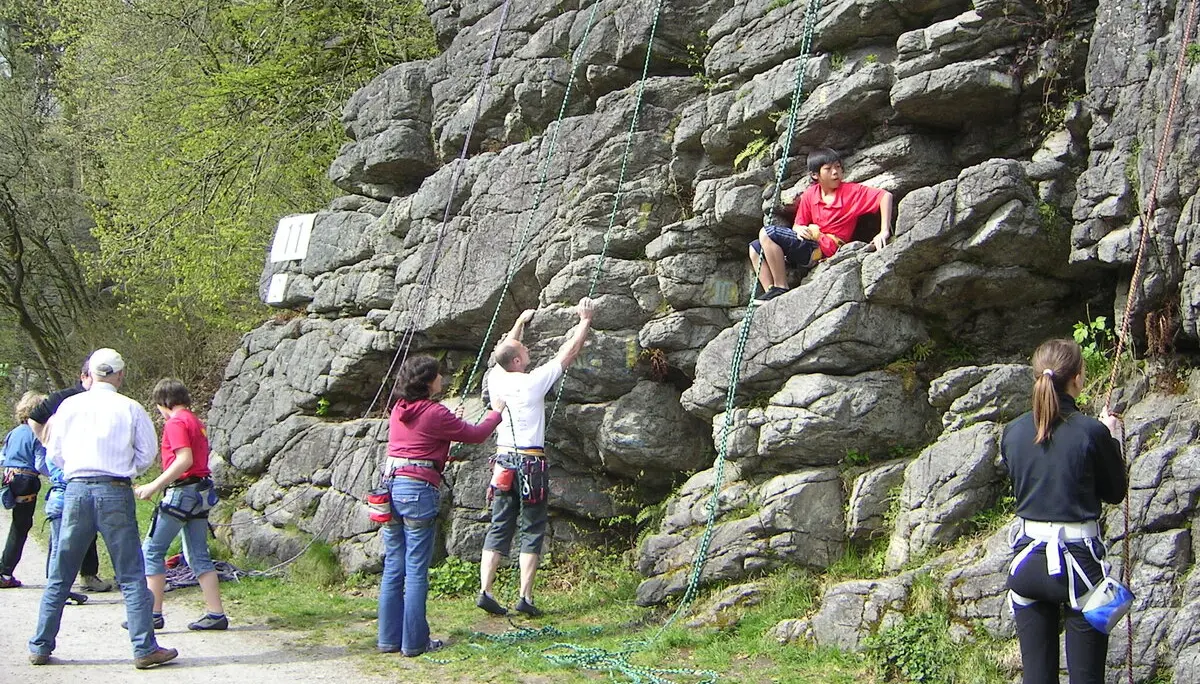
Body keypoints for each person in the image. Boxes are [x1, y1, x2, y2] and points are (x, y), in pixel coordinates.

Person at [28, 348, 178, 669]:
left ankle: (40, 644)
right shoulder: (130, 407)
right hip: (114, 489)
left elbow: (54, 452)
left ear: (91, 374)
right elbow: (147, 452)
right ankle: (144, 647)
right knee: (131, 573)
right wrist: (124, 470)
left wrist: (77, 470)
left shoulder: (68, 406)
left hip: (77, 490)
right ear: (120, 375)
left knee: (61, 571)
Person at [1002, 339, 1127, 684]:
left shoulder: (1012, 433)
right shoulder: (1091, 432)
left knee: (1037, 678)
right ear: (1077, 378)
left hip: (1027, 564)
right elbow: (1115, 493)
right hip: (1079, 568)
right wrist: (1110, 440)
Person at [378, 356, 505, 656]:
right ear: (427, 382)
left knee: (394, 566)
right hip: (417, 490)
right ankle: (414, 643)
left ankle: (388, 639)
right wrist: (496, 413)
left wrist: (449, 421)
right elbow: (476, 435)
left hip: (390, 487)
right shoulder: (435, 413)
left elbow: (424, 434)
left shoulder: (398, 409)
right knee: (416, 569)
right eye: (438, 375)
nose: (443, 379)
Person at [477, 298, 594, 618]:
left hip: (502, 463)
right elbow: (566, 354)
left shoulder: (496, 378)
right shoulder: (532, 383)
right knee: (532, 526)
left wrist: (519, 322)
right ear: (517, 360)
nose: (529, 353)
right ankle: (525, 597)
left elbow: (504, 350)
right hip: (530, 464)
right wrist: (585, 320)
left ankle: (485, 589)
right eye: (524, 352)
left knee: (500, 524)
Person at [133, 378, 227, 631]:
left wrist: (153, 486)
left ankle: (152, 614)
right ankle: (216, 613)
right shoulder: (196, 421)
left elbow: (183, 460)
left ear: (164, 403)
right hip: (201, 493)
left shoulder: (175, 422)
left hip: (182, 493)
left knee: (152, 551)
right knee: (197, 554)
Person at [749, 147, 894, 301]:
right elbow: (798, 224)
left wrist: (884, 231)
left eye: (838, 167)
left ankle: (780, 287)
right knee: (755, 247)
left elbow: (885, 196)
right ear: (815, 175)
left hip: (826, 247)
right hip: (809, 243)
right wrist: (799, 229)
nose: (835, 172)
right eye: (828, 169)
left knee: (768, 233)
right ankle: (770, 293)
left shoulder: (852, 192)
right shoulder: (810, 194)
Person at [28, 361, 111, 593]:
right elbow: (34, 418)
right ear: (84, 376)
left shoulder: (105, 399)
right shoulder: (65, 399)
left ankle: (84, 577)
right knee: (62, 539)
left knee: (84, 533)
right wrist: (47, 444)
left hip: (86, 476)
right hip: (68, 480)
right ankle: (57, 586)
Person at [33, 430, 89, 605]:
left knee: (58, 546)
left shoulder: (50, 448)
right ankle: (57, 591)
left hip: (56, 497)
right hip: (67, 497)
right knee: (62, 548)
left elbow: (43, 466)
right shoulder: (69, 451)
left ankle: (58, 589)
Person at [1, 392, 47, 588]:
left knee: (17, 524)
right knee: (21, 527)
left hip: (8, 476)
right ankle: (5, 572)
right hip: (26, 480)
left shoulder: (14, 432)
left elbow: (3, 456)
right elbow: (40, 463)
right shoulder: (36, 433)